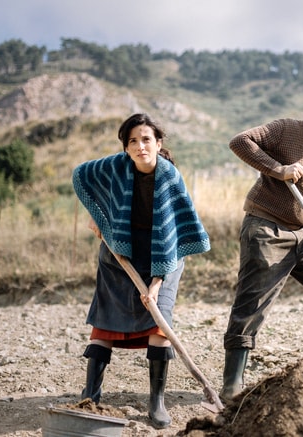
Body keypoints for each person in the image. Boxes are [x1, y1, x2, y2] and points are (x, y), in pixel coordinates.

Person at [72, 113, 210, 429]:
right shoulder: (117, 166)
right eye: (132, 141)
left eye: (146, 139)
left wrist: (156, 283)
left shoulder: (170, 177)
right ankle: (90, 395)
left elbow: (171, 236)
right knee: (105, 322)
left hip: (164, 253)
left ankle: (156, 402)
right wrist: (99, 214)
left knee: (158, 323)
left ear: (158, 144)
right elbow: (81, 175)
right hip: (120, 253)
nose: (139, 146)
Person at [221, 80, 303, 400]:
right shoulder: (285, 130)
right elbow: (240, 141)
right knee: (252, 304)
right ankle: (231, 385)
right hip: (266, 228)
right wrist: (277, 169)